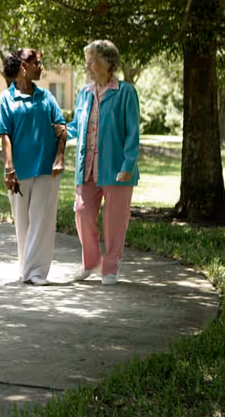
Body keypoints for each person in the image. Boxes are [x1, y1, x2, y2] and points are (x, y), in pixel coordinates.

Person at [66, 39, 140, 286]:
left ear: (108, 63)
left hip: (116, 167)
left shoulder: (125, 92)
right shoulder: (85, 93)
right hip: (86, 167)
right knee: (82, 213)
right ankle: (90, 263)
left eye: (93, 60)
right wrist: (59, 129)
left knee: (114, 221)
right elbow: (76, 126)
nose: (89, 66)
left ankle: (110, 268)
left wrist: (128, 166)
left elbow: (132, 132)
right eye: (87, 61)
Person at [0, 48, 66, 286]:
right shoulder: (7, 98)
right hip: (19, 171)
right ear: (24, 66)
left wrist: (60, 156)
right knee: (23, 223)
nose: (41, 67)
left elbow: (61, 128)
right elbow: (5, 136)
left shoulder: (46, 97)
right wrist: (9, 168)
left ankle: (36, 272)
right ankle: (26, 267)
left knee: (43, 221)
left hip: (47, 169)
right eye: (37, 63)